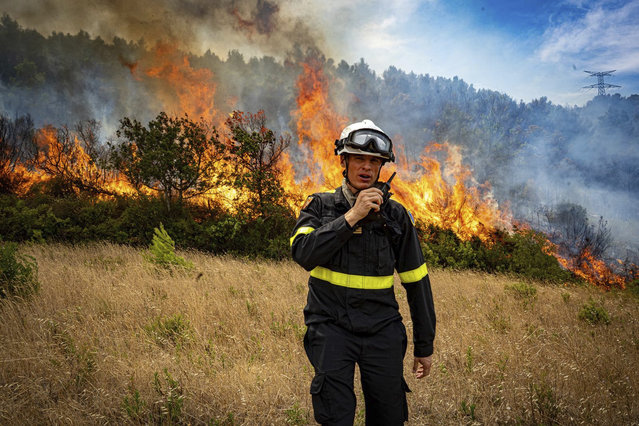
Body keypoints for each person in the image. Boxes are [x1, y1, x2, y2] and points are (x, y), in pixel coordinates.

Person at [290, 119, 436, 425]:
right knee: (336, 414)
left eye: (374, 161)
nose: (366, 167)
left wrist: (424, 345)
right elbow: (303, 254)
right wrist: (352, 216)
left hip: (382, 330)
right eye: (359, 158)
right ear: (344, 161)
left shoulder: (395, 216)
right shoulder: (319, 206)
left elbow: (417, 282)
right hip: (330, 328)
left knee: (389, 415)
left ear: (382, 166)